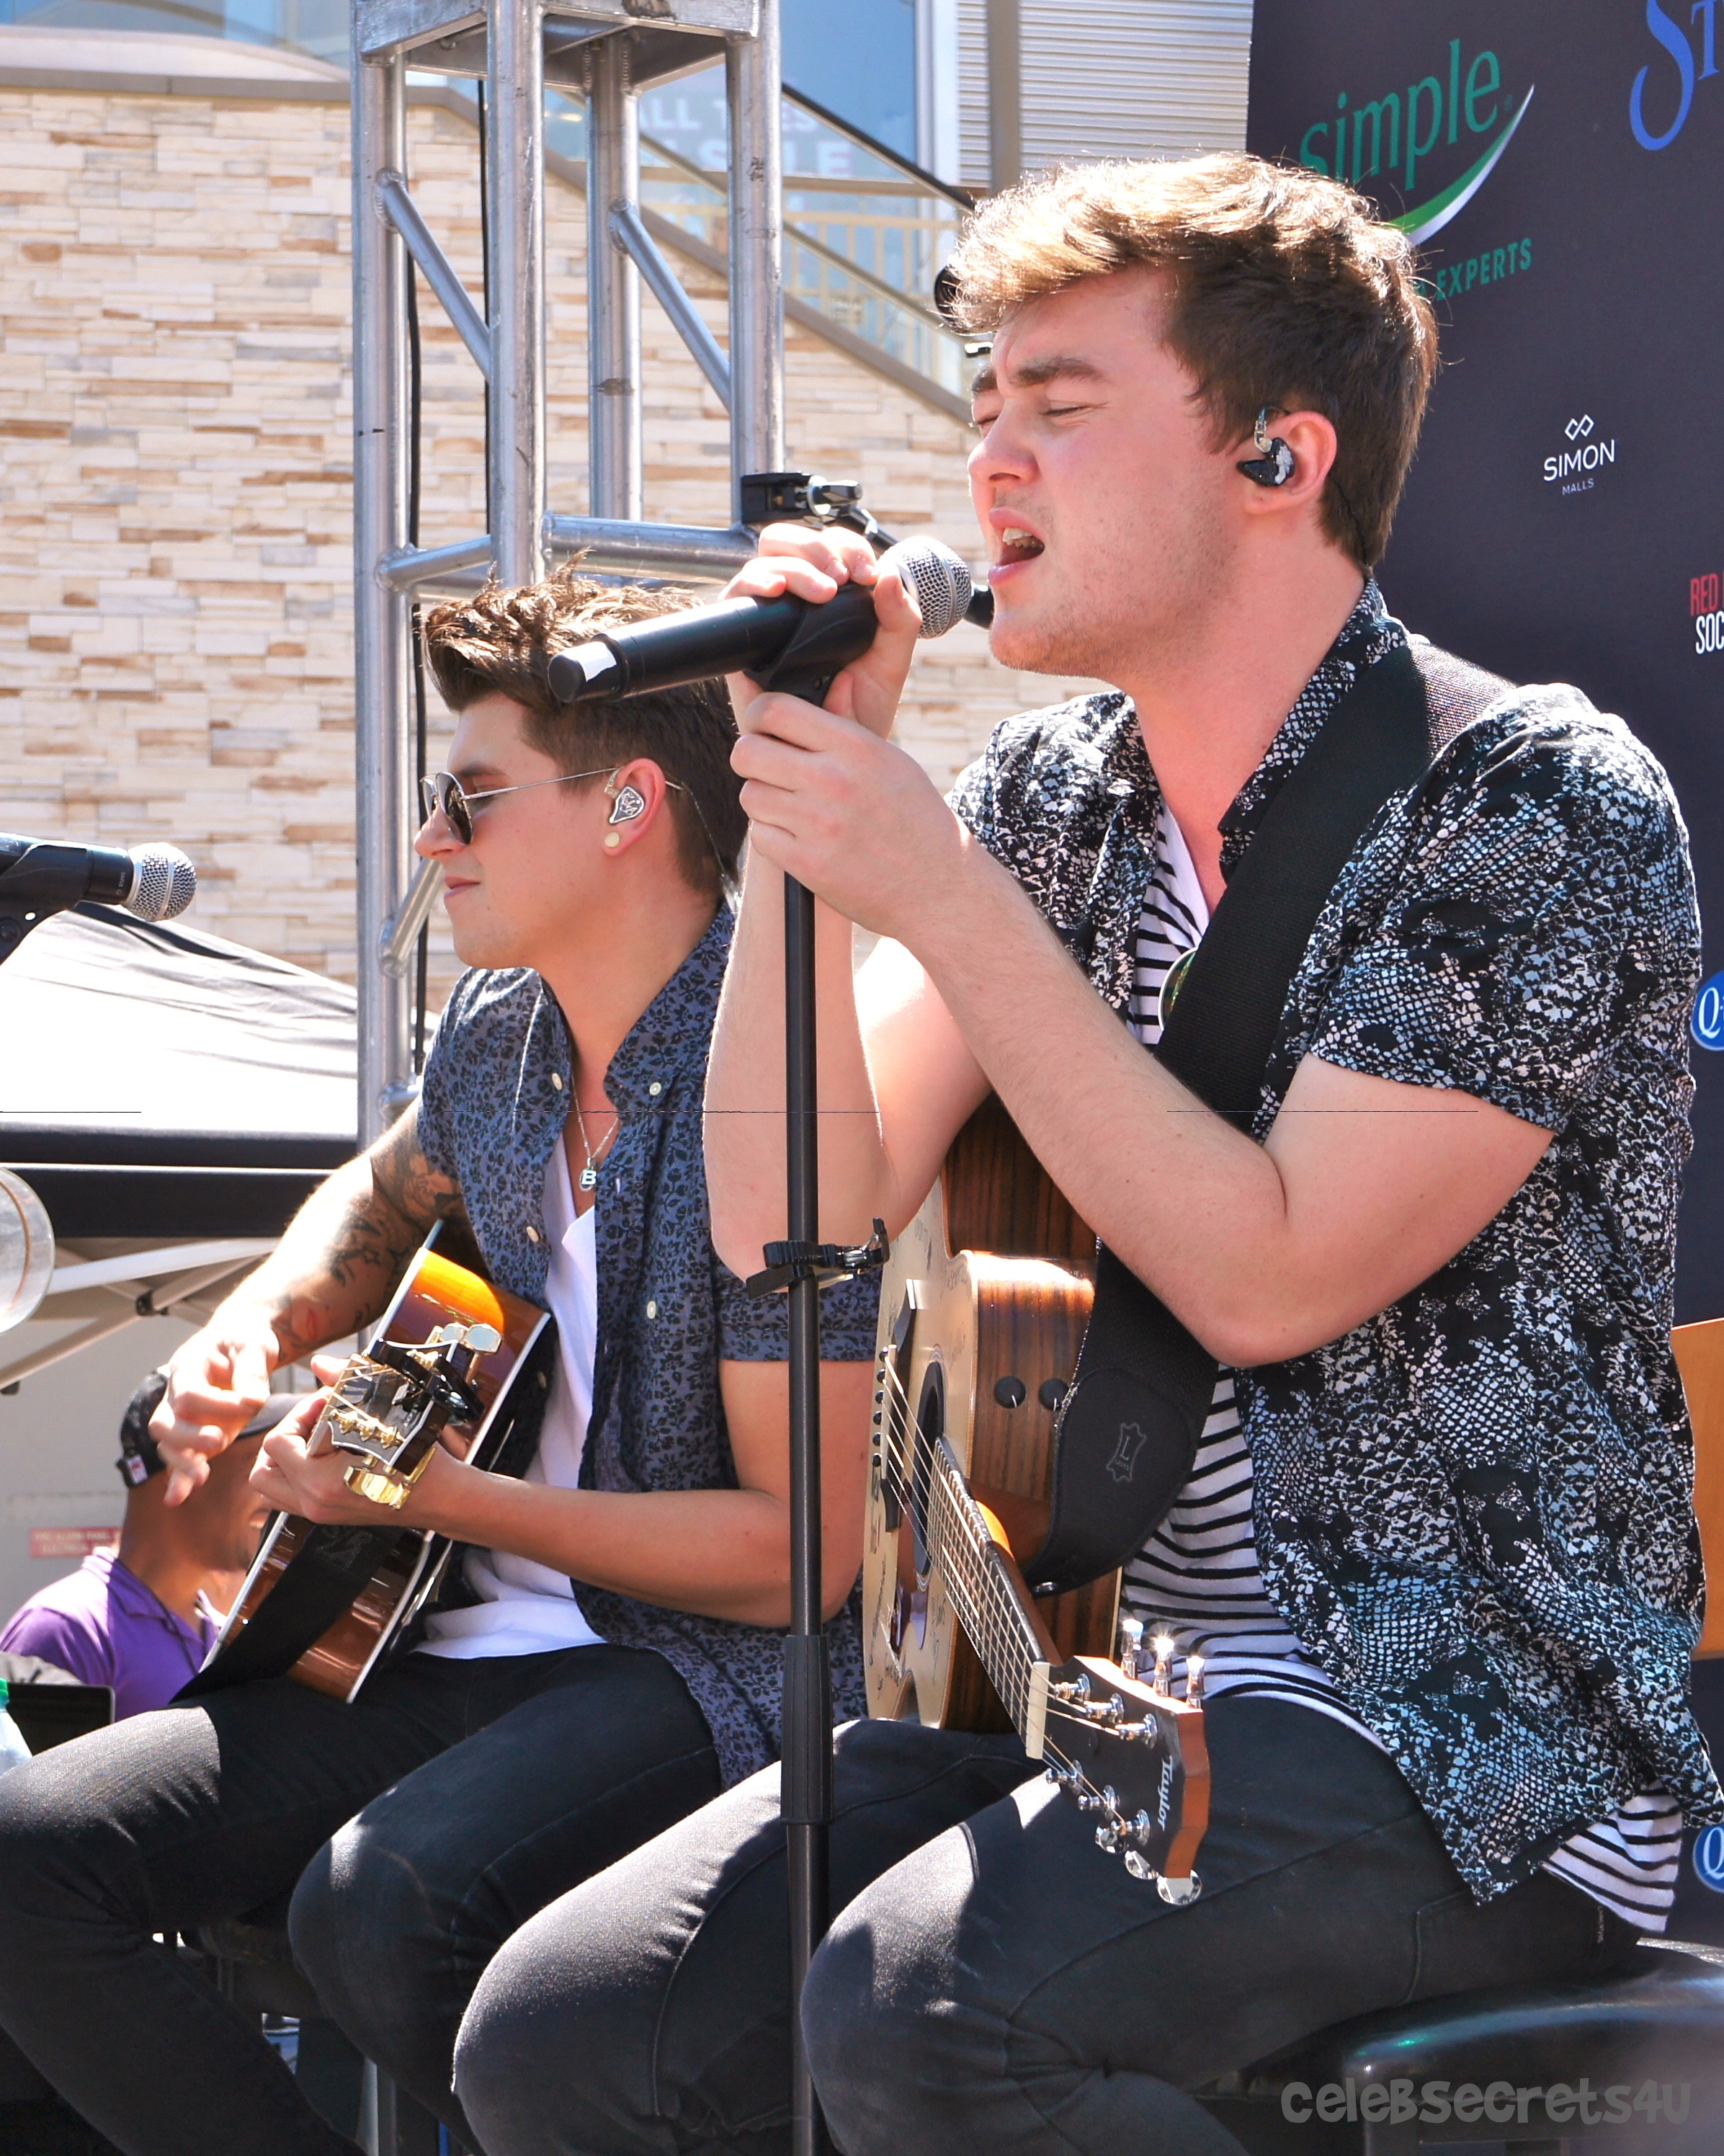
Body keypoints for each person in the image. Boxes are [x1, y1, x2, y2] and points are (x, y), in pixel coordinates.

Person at [449, 156, 1724, 2156]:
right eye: (981, 411)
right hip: (1086, 1688)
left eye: (1059, 406)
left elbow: (1270, 1270)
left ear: (1279, 454)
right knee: (564, 2032)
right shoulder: (1051, 799)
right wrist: (806, 834)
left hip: (1463, 1722)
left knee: (925, 2013)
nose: (992, 466)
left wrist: (945, 901)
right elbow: (797, 1220)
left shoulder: (1531, 799)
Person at [0, 569, 877, 2156]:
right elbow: (377, 1193)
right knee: (24, 1849)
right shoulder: (498, 1034)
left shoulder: (780, 1065)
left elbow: (790, 1561)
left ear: (626, 805)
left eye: (464, 798)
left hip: (694, 1668)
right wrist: (253, 1326)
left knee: (379, 1903)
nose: (428, 840)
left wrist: (438, 1491)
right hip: (434, 1640)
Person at [0, 1370, 280, 1719]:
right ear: (176, 1469)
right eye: (259, 1459)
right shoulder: (68, 1628)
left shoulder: (217, 1630)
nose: (277, 1486)